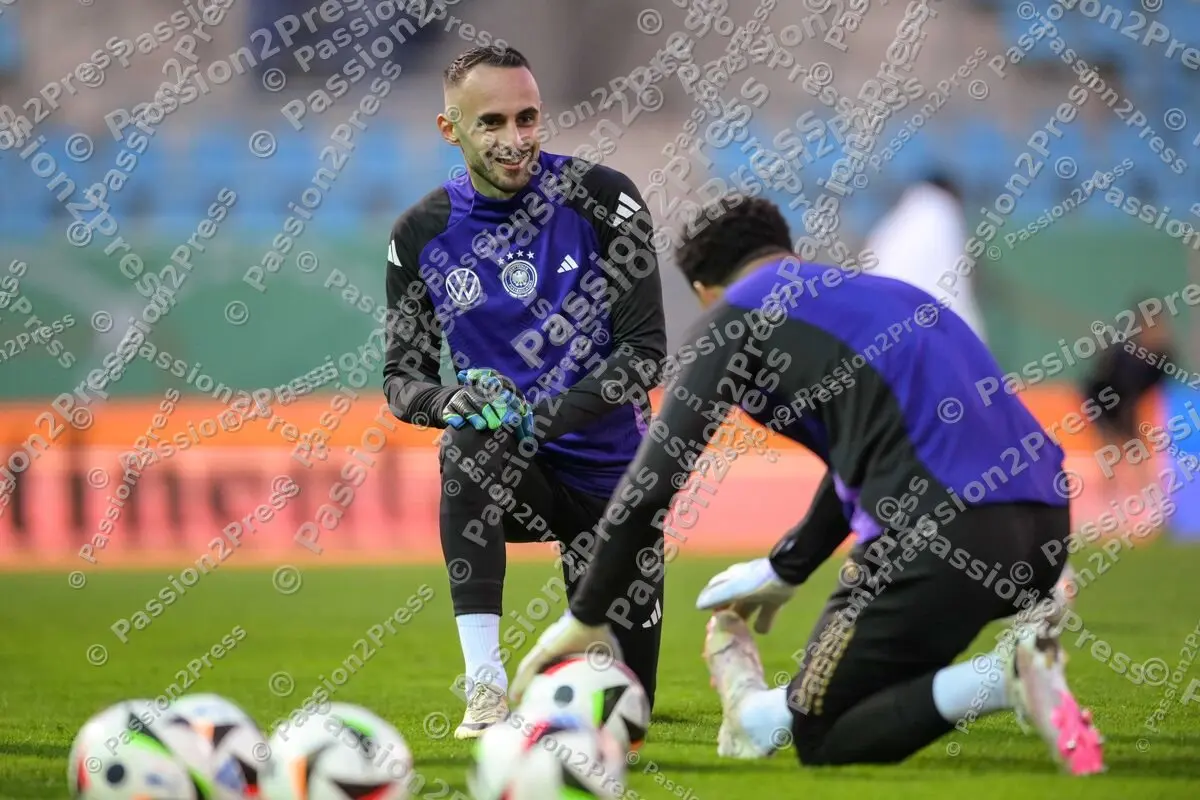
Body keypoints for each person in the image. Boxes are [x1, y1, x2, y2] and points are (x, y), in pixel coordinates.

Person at [509, 195, 1104, 775]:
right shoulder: (886, 293)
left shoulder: (735, 316)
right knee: (856, 683)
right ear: (784, 252)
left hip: (941, 532)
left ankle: (1002, 679)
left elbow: (652, 483)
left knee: (823, 728)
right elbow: (869, 452)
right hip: (1046, 530)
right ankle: (756, 715)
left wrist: (587, 613)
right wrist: (787, 568)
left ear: (704, 292)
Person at [381, 45, 667, 739]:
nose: (515, 140)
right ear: (451, 130)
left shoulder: (604, 200)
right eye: (492, 124)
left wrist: (538, 416)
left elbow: (645, 354)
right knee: (472, 439)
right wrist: (445, 402)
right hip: (516, 478)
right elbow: (401, 379)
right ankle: (485, 691)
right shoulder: (420, 235)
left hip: (613, 490)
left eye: (528, 117)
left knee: (621, 708)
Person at [863, 172, 988, 344]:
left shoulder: (892, 222)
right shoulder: (943, 214)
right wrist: (974, 339)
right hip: (924, 329)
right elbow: (953, 281)